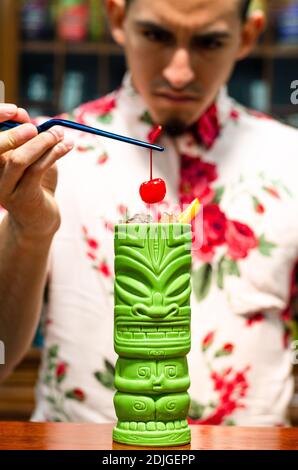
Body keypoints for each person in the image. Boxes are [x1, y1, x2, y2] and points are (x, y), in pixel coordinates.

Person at [1, 0, 298, 426]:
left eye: (208, 41)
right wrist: (29, 229)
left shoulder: (291, 160)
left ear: (247, 36)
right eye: (157, 35)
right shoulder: (48, 159)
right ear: (118, 19)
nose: (179, 73)